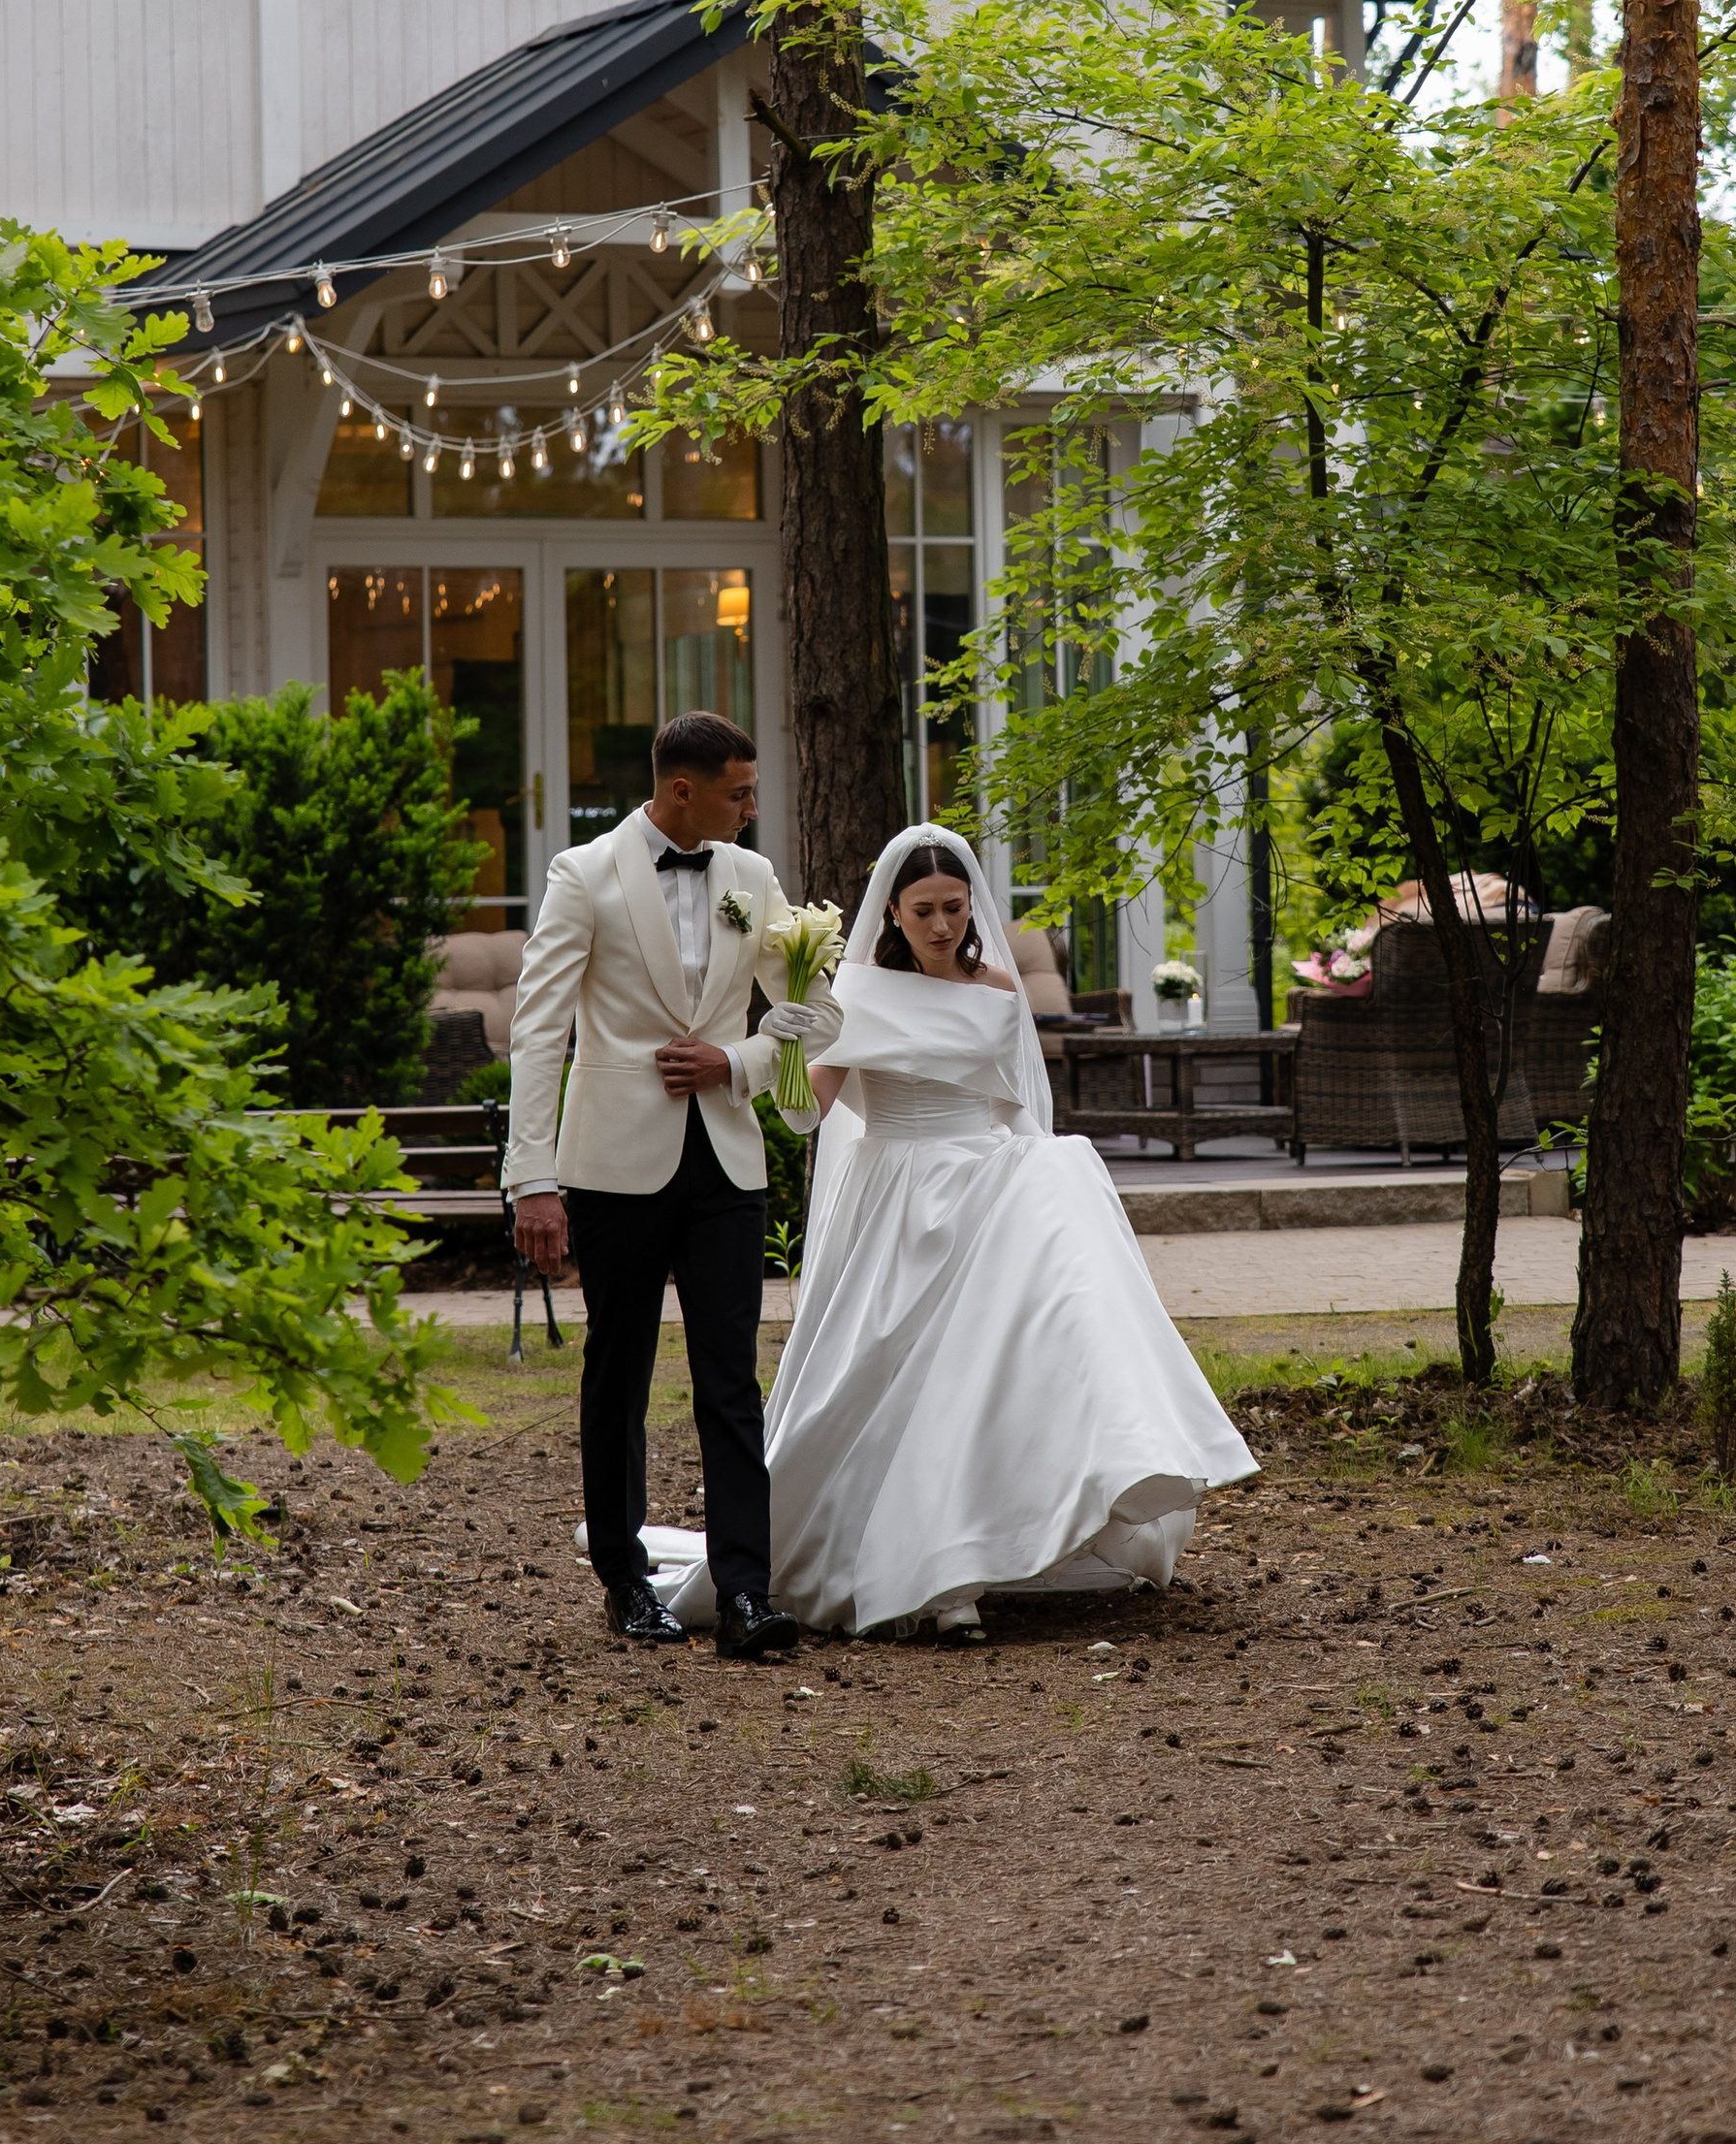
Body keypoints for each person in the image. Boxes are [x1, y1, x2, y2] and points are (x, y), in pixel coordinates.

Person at [757, 824, 1256, 1640]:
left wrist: (1046, 1168)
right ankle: (915, 1562)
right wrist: (788, 1045)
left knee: (997, 1359)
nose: (943, 924)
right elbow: (807, 1115)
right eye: (925, 910)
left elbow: (1013, 1099)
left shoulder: (994, 985)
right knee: (895, 1373)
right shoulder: (853, 993)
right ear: (894, 911)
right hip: (899, 1190)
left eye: (955, 907)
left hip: (983, 1176)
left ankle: (1031, 1520)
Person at [506, 710, 840, 1661]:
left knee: (730, 1380)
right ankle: (622, 1579)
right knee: (618, 1373)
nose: (752, 806)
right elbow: (538, 1031)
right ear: (682, 791)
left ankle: (743, 1591)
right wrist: (532, 1177)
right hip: (612, 1168)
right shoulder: (584, 875)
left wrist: (734, 1061)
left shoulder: (752, 877)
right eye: (740, 792)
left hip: (728, 1162)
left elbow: (815, 1006)